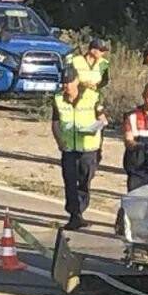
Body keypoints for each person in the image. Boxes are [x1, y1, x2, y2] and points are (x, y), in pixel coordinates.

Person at [52, 66, 107, 231]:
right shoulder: (58, 99)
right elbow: (55, 123)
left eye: (69, 82)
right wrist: (60, 141)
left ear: (76, 80)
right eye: (64, 82)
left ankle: (80, 209)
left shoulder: (92, 96)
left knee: (84, 180)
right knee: (69, 181)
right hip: (68, 148)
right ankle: (74, 215)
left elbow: (103, 119)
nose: (66, 86)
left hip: (88, 148)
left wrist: (95, 128)